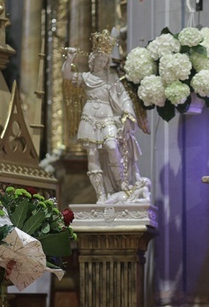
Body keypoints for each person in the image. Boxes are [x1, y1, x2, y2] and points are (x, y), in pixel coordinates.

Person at [62, 30, 150, 204]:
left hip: (108, 117)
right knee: (92, 153)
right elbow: (67, 76)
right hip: (89, 117)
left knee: (111, 146)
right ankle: (101, 194)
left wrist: (127, 113)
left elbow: (124, 97)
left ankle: (121, 183)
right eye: (99, 60)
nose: (101, 63)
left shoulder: (112, 79)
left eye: (104, 60)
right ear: (92, 61)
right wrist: (69, 59)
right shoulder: (86, 77)